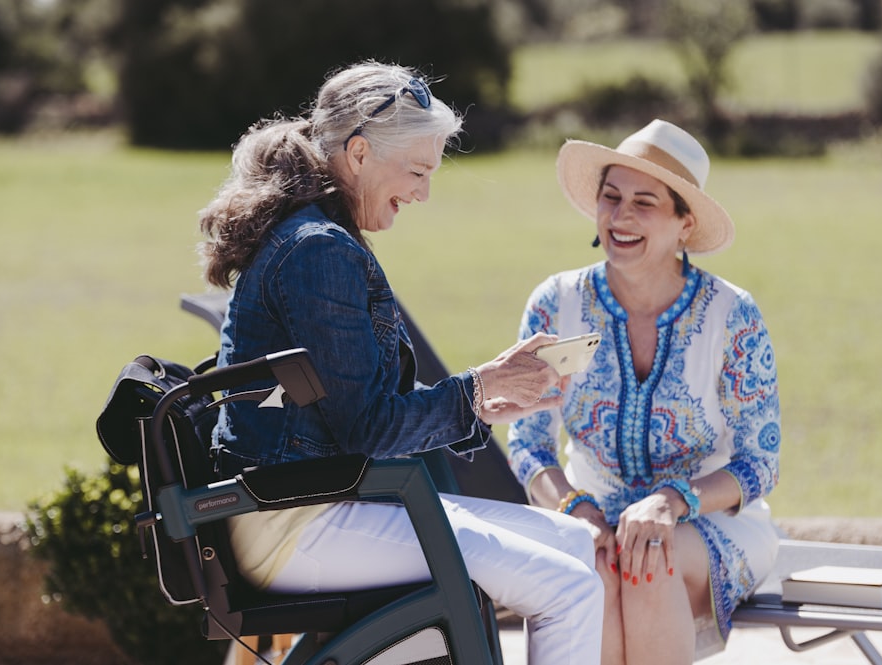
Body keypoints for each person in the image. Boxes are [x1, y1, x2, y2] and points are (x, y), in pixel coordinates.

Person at [196, 61, 604, 665]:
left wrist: (483, 395)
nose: (422, 192)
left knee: (574, 543)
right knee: (569, 586)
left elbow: (358, 403)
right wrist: (473, 392)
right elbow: (369, 427)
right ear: (358, 153)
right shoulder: (317, 252)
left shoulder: (317, 236)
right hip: (296, 525)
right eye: (417, 171)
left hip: (305, 507)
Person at [507, 119, 781, 664]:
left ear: (685, 223)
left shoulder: (733, 316)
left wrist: (670, 502)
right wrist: (575, 508)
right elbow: (528, 443)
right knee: (599, 566)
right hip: (588, 522)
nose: (621, 215)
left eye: (645, 202)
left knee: (648, 558)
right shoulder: (554, 304)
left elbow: (761, 463)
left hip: (707, 525)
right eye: (611, 197)